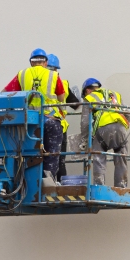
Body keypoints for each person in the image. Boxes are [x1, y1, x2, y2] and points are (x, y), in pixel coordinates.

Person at [2, 48, 65, 178]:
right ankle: (48, 181)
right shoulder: (53, 75)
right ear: (46, 63)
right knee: (52, 154)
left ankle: (27, 181)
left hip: (29, 121)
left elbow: (5, 92)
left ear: (31, 62)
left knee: (28, 153)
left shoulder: (22, 74)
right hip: (50, 119)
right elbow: (61, 98)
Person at [79, 78, 130, 188]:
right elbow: (128, 113)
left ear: (87, 90)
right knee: (121, 158)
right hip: (120, 127)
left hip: (103, 130)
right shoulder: (115, 94)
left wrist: (84, 140)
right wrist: (124, 130)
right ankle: (121, 187)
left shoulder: (89, 98)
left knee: (99, 158)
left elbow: (85, 123)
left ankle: (99, 187)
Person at [46, 54, 80, 183]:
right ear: (56, 70)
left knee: (40, 158)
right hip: (59, 126)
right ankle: (59, 186)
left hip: (38, 125)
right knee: (59, 160)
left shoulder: (36, 82)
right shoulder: (63, 84)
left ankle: (42, 184)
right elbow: (76, 105)